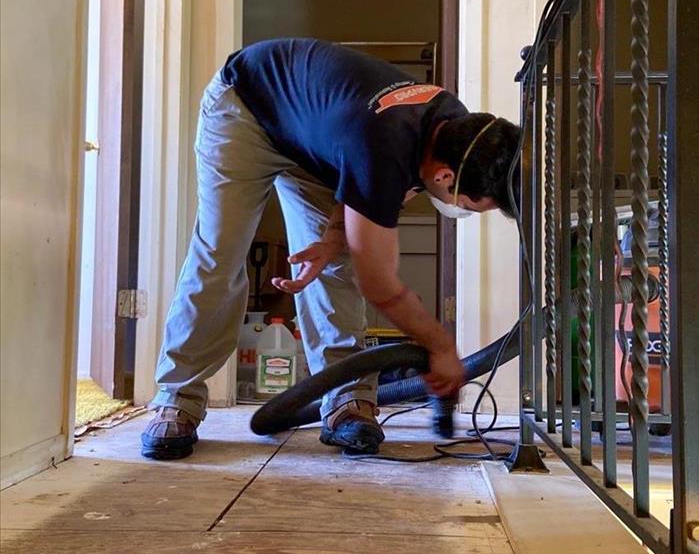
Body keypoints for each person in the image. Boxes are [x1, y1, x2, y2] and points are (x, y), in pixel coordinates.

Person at [141, 38, 520, 460]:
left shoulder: (454, 129)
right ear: (446, 178)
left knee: (336, 266)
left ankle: (347, 400)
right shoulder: (384, 146)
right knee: (220, 254)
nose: (459, 211)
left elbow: (358, 172)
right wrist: (441, 346)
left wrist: (332, 238)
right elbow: (380, 285)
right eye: (469, 206)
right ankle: (177, 398)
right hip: (247, 106)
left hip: (318, 135)